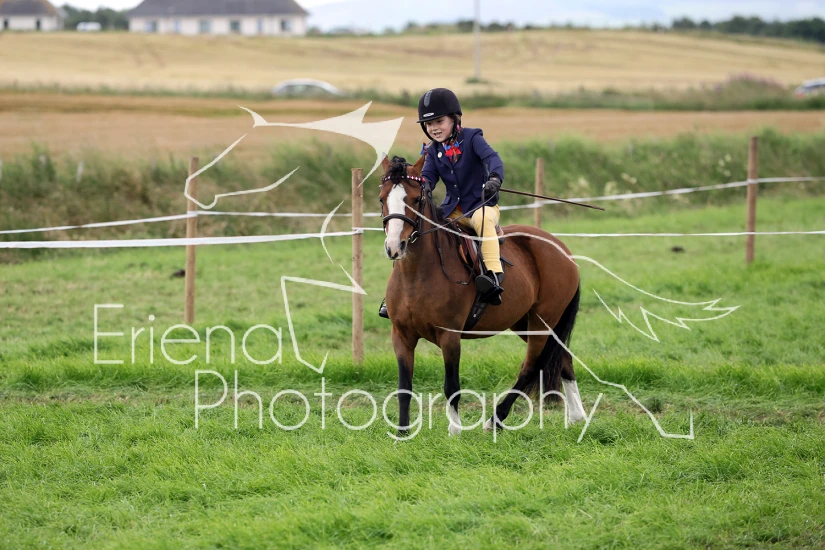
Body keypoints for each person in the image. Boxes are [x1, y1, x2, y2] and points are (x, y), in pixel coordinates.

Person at [379, 87, 505, 319]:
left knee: (482, 221)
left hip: (481, 205)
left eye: (439, 121)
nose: (434, 128)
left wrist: (495, 179)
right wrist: (413, 185)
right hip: (452, 210)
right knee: (419, 232)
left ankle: (493, 275)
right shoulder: (433, 151)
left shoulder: (473, 138)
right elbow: (427, 178)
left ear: (455, 120)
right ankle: (395, 293)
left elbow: (492, 158)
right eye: (429, 124)